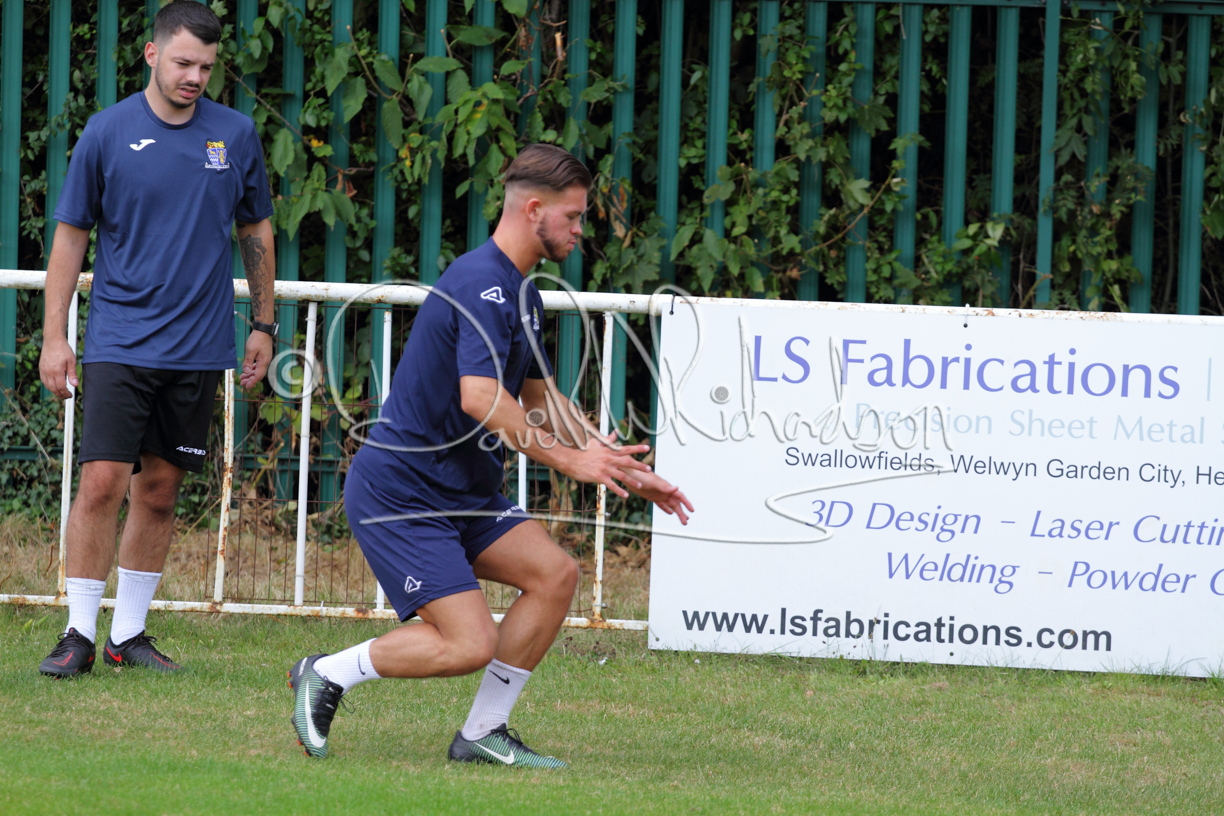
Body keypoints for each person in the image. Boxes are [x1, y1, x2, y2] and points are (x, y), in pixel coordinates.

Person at [288, 144, 693, 767]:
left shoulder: (522, 293)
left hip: (463, 490)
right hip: (403, 492)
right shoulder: (481, 282)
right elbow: (480, 398)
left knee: (554, 576)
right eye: (573, 217)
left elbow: (543, 398)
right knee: (468, 644)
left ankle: (483, 732)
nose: (580, 231)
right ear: (533, 210)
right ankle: (327, 672)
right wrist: (571, 462)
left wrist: (623, 468)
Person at [37, 1, 277, 677]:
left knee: (162, 490)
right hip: (120, 339)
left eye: (206, 66)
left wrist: (264, 324)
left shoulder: (235, 134)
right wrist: (55, 336)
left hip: (198, 344)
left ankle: (128, 635)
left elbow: (255, 230)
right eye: (183, 62)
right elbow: (71, 237)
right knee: (101, 483)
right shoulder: (107, 131)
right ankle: (78, 634)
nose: (194, 76)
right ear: (152, 54)